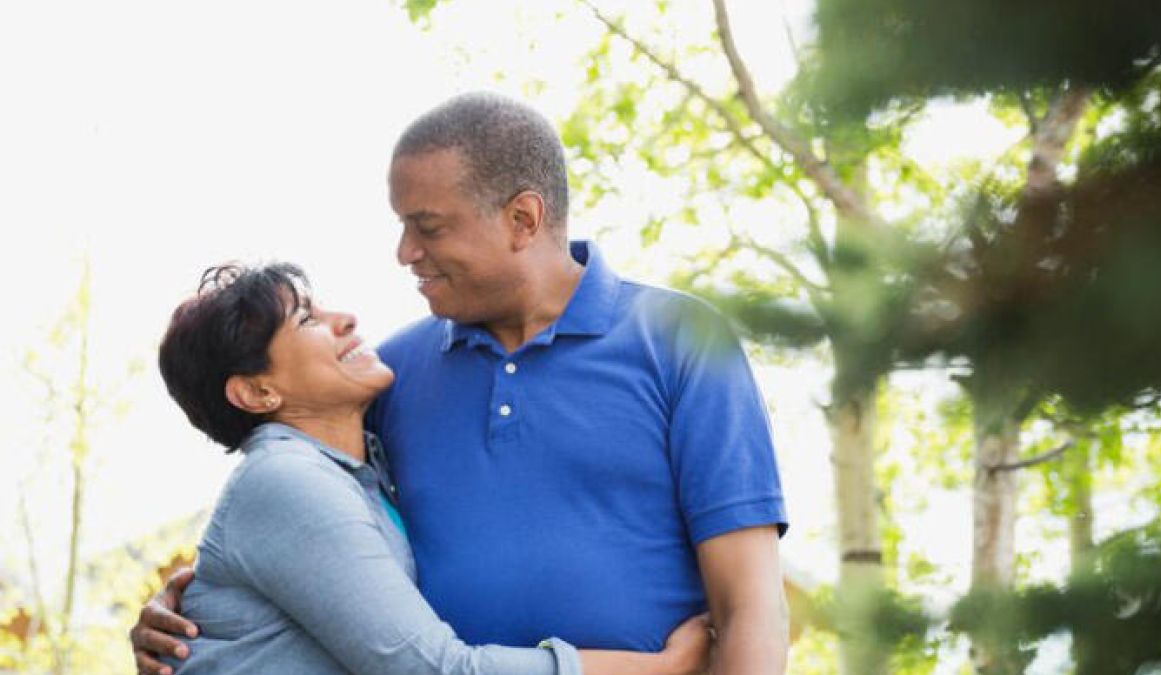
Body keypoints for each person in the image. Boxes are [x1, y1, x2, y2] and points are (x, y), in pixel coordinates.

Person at [132, 92, 790, 674]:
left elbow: (748, 607)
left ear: (522, 220)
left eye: (429, 226)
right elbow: (299, 531)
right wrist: (187, 611)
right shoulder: (391, 375)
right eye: (402, 225)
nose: (405, 252)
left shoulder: (681, 341)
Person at [151, 261, 711, 675]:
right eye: (307, 320)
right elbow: (432, 670)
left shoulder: (360, 470)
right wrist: (667, 667)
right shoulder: (285, 480)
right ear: (256, 390)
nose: (344, 320)